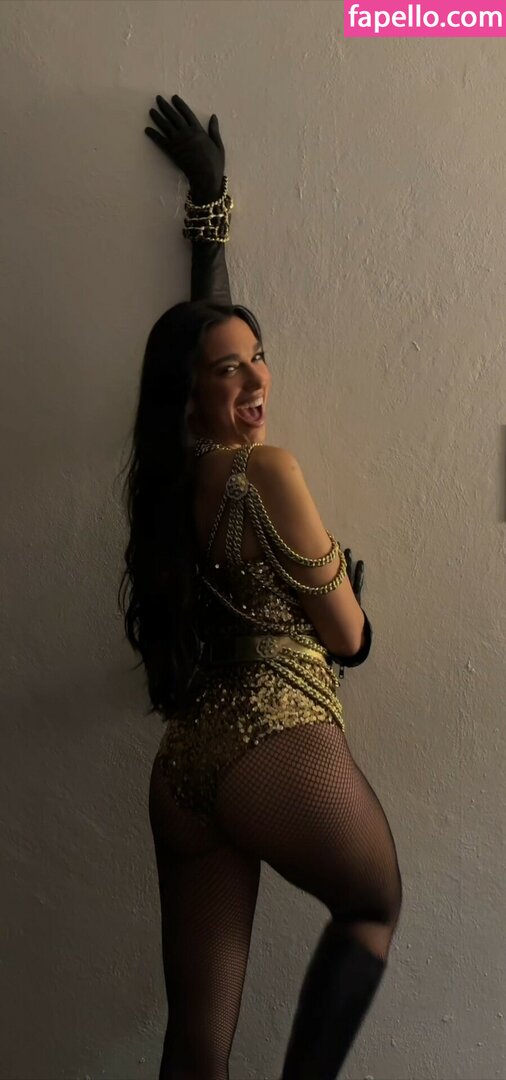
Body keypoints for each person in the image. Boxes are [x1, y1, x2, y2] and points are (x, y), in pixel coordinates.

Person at [118, 93, 403, 1080]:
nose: (254, 383)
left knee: (197, 1040)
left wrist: (210, 208)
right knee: (371, 905)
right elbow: (350, 639)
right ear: (193, 390)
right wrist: (345, 592)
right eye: (229, 373)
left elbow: (206, 343)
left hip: (185, 768)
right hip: (275, 737)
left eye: (259, 361)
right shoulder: (266, 473)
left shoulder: (169, 482)